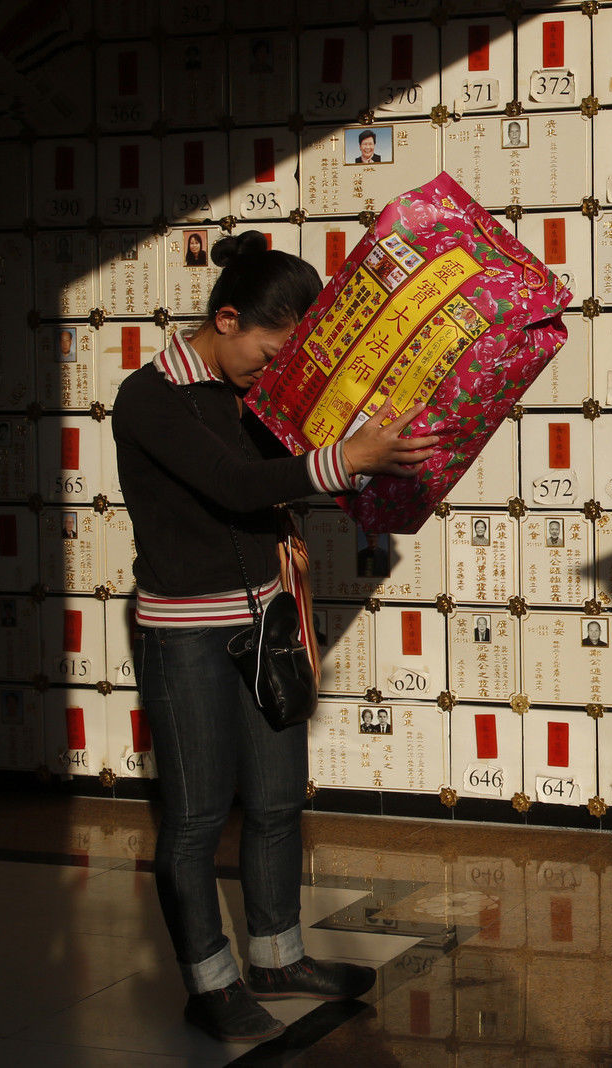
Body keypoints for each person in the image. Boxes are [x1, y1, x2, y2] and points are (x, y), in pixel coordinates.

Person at [113, 229, 441, 1043]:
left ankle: (278, 954)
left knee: (273, 803)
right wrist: (342, 459)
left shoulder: (258, 392)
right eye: (271, 349)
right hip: (185, 635)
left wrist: (383, 456)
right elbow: (236, 485)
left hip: (267, 621)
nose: (277, 368)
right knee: (193, 818)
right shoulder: (149, 396)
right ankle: (210, 980)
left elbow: (301, 467)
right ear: (226, 320)